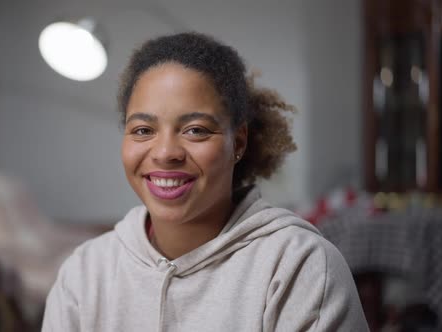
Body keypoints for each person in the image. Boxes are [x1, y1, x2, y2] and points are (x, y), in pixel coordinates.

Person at [42, 32, 368, 331]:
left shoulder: (299, 267)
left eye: (196, 130)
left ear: (238, 143)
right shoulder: (83, 275)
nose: (166, 152)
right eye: (143, 130)